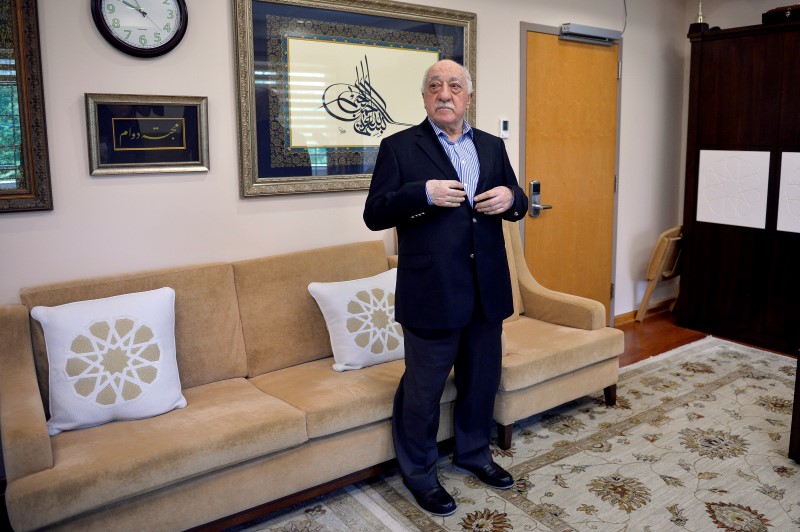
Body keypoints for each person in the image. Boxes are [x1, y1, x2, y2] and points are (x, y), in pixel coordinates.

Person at [363, 59, 528, 516]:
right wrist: (423, 194)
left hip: (486, 289)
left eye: (455, 85)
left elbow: (516, 197)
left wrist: (514, 199)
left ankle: (475, 455)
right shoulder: (398, 147)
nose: (445, 93)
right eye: (435, 85)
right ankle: (419, 473)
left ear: (468, 97)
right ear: (424, 97)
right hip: (431, 292)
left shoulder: (492, 146)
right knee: (423, 391)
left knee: (480, 383)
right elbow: (375, 212)